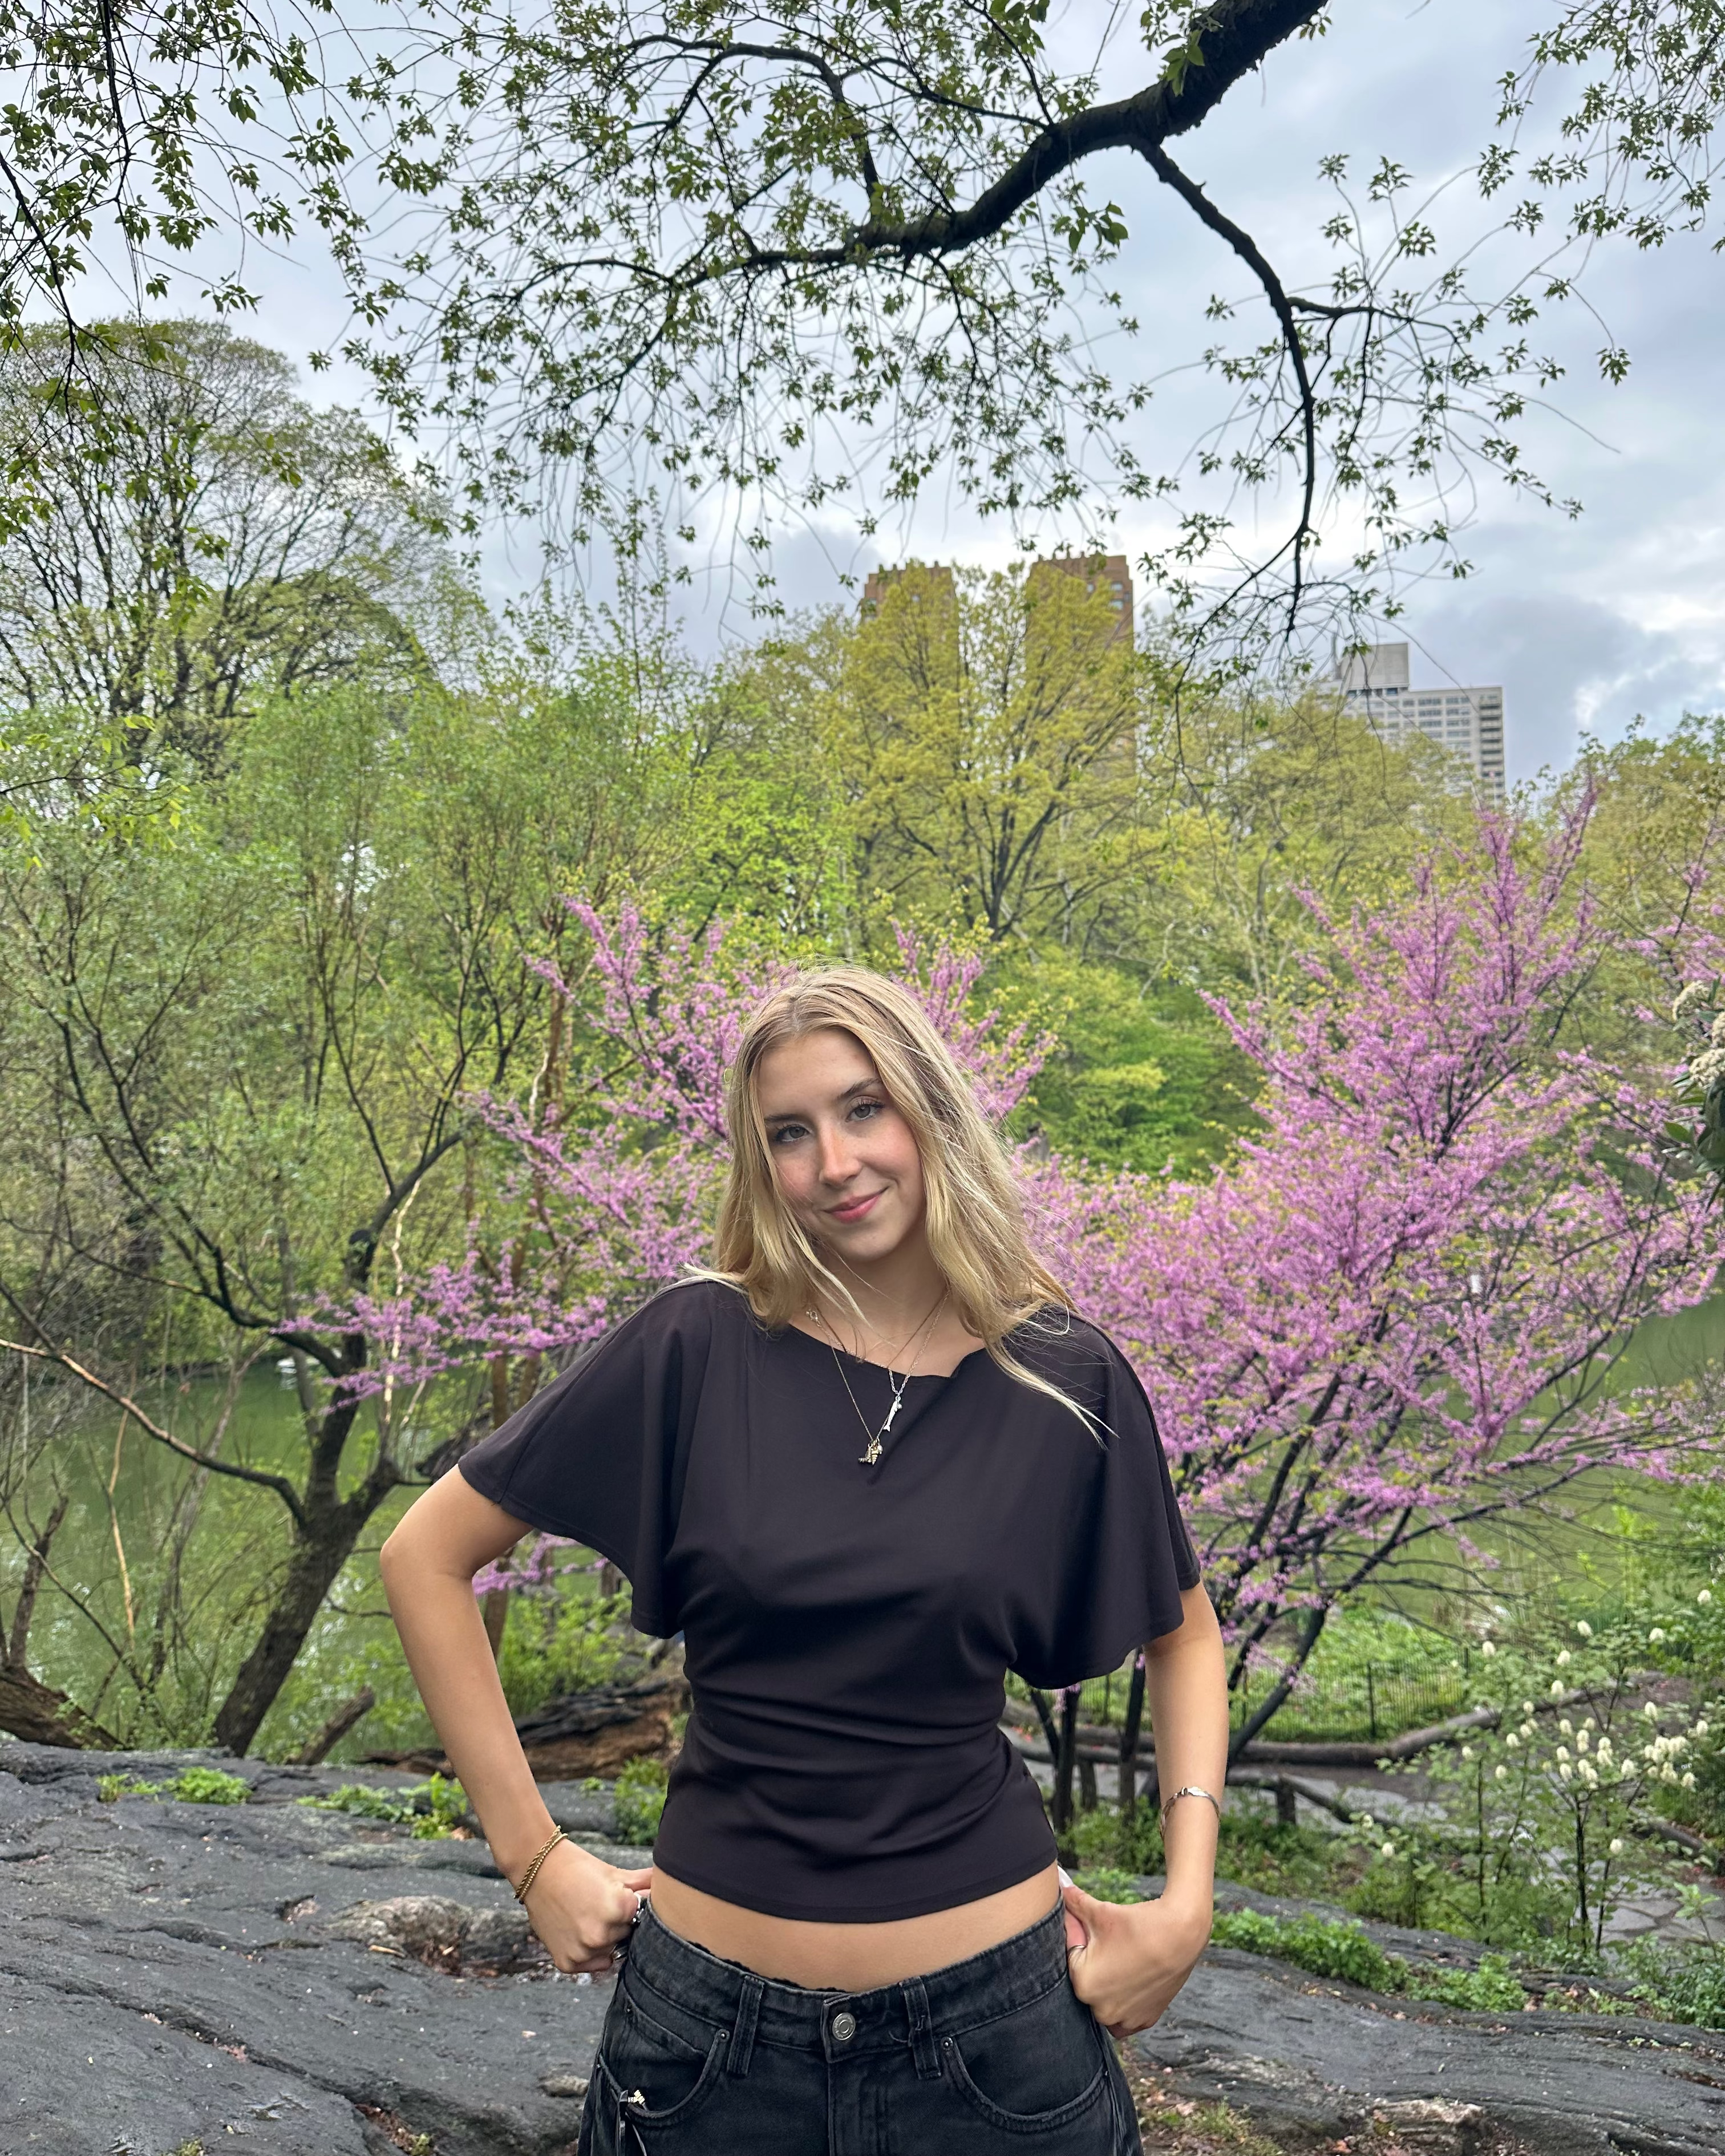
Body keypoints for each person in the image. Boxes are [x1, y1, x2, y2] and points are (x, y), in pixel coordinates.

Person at [380, 967, 1228, 2155]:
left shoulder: (1062, 1379)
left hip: (998, 2047)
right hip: (704, 2052)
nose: (835, 1163)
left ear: (931, 1112)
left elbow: (1183, 1635)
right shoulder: (692, 1347)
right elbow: (424, 1556)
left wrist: (1186, 1905)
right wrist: (533, 1859)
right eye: (791, 1132)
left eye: (864, 1108)